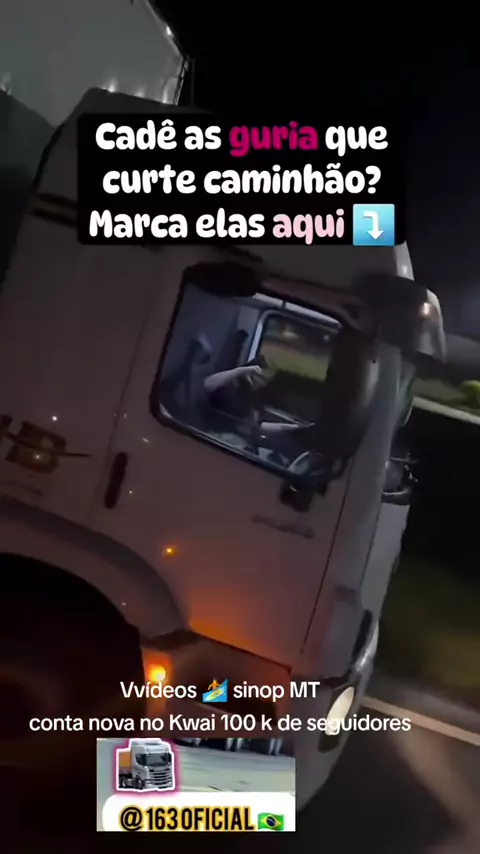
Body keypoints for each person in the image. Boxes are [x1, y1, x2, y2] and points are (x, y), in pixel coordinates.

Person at [203, 358, 306, 436]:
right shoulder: (229, 386)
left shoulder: (254, 398)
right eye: (261, 378)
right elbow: (207, 384)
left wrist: (295, 428)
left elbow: (258, 426)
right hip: (217, 436)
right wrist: (241, 371)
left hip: (239, 441)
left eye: (267, 381)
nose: (263, 383)